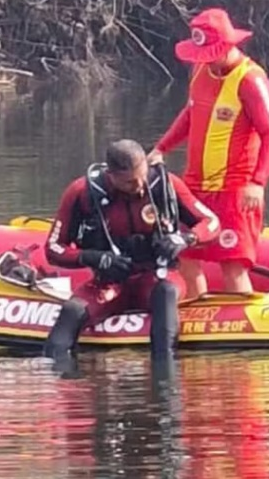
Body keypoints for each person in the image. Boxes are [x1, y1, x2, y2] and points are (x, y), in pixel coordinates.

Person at [42, 139, 221, 368]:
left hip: (156, 277)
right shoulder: (82, 193)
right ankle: (60, 380)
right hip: (108, 283)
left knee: (165, 292)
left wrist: (186, 238)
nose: (139, 186)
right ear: (112, 175)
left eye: (141, 176)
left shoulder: (166, 185)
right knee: (72, 310)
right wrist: (92, 257)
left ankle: (165, 377)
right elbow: (54, 248)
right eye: (129, 182)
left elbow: (212, 222)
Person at [147, 7, 269, 299]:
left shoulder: (250, 79)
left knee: (233, 264)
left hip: (235, 187)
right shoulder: (200, 69)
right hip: (194, 185)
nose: (204, 59)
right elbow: (191, 113)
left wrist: (257, 182)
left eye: (210, 52)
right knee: (185, 254)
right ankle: (197, 316)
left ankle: (241, 328)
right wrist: (161, 148)